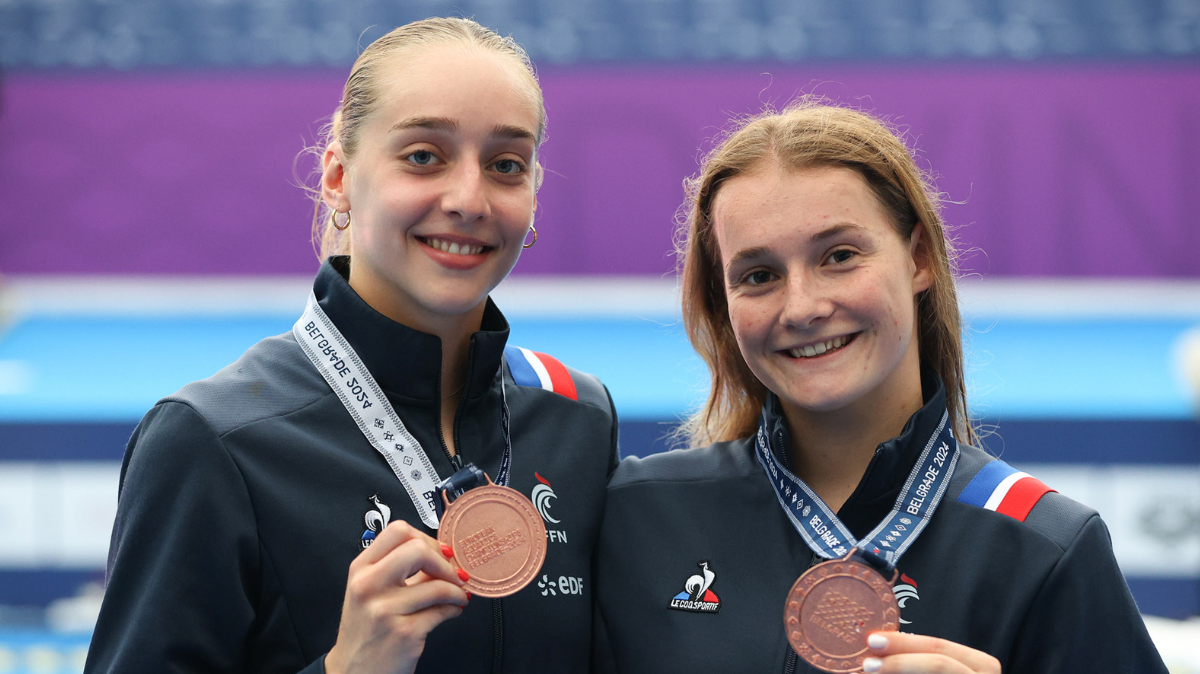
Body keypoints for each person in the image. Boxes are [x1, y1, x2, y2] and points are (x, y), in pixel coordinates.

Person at [85, 18, 618, 674]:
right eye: (424, 155)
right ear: (339, 176)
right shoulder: (213, 441)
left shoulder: (578, 418)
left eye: (505, 165)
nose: (469, 198)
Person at [594, 100, 1167, 673]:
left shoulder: (1045, 546)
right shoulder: (638, 514)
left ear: (919, 258)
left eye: (840, 256)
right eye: (759, 276)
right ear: (724, 303)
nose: (803, 307)